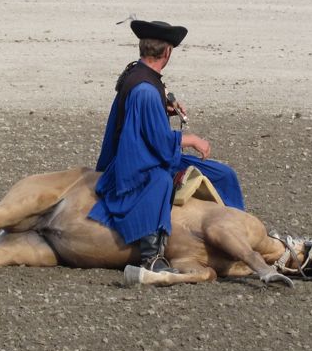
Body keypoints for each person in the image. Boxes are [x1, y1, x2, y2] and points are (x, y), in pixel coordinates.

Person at [87, 19, 245, 273]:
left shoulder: (138, 75)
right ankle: (151, 256)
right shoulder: (146, 91)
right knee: (159, 181)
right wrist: (192, 140)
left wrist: (164, 109)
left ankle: (237, 233)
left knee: (223, 174)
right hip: (135, 162)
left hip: (142, 151)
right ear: (168, 52)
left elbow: (142, 124)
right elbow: (159, 142)